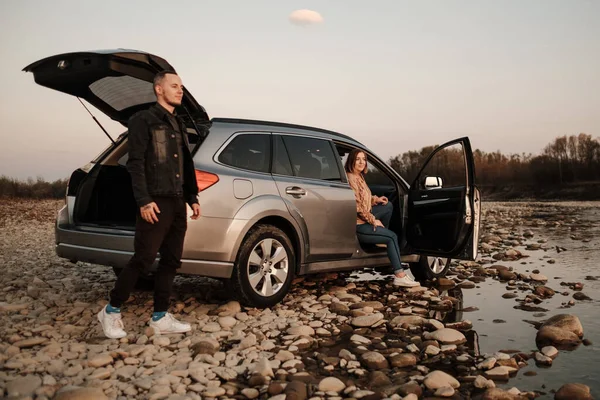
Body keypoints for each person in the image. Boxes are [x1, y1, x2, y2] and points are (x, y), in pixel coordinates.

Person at [98, 70, 201, 339]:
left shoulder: (177, 123)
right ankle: (111, 311)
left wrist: (192, 197)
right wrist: (144, 200)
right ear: (158, 89)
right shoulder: (143, 120)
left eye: (181, 86)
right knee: (143, 259)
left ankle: (160, 317)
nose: (180, 90)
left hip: (178, 201)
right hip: (155, 201)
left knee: (171, 260)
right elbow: (135, 164)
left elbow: (186, 164)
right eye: (174, 86)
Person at [345, 149, 419, 287]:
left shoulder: (359, 176)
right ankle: (400, 275)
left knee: (388, 206)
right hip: (358, 225)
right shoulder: (351, 178)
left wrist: (376, 200)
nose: (361, 162)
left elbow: (363, 199)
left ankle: (380, 238)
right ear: (351, 161)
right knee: (392, 237)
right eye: (357, 159)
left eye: (364, 159)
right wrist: (374, 220)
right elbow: (357, 207)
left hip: (363, 218)